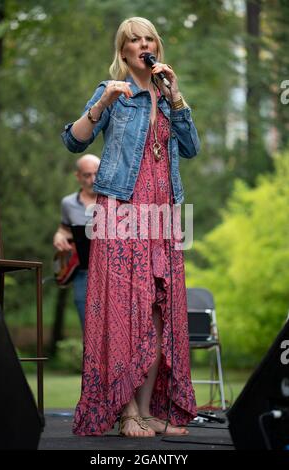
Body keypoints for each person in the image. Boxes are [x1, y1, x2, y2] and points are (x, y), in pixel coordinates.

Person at [61, 16, 200, 437]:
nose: (143, 44)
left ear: (156, 47)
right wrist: (101, 104)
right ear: (123, 52)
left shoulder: (168, 93)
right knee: (126, 311)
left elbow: (191, 147)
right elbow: (73, 139)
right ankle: (125, 413)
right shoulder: (113, 93)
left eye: (148, 38)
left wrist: (175, 96)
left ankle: (148, 410)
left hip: (162, 218)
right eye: (134, 39)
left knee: (158, 312)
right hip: (122, 213)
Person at [53, 154, 100, 328]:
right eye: (87, 175)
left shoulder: (114, 201)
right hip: (82, 272)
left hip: (113, 273)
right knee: (88, 328)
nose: (92, 180)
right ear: (78, 176)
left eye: (97, 174)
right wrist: (59, 236)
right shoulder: (68, 203)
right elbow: (64, 229)